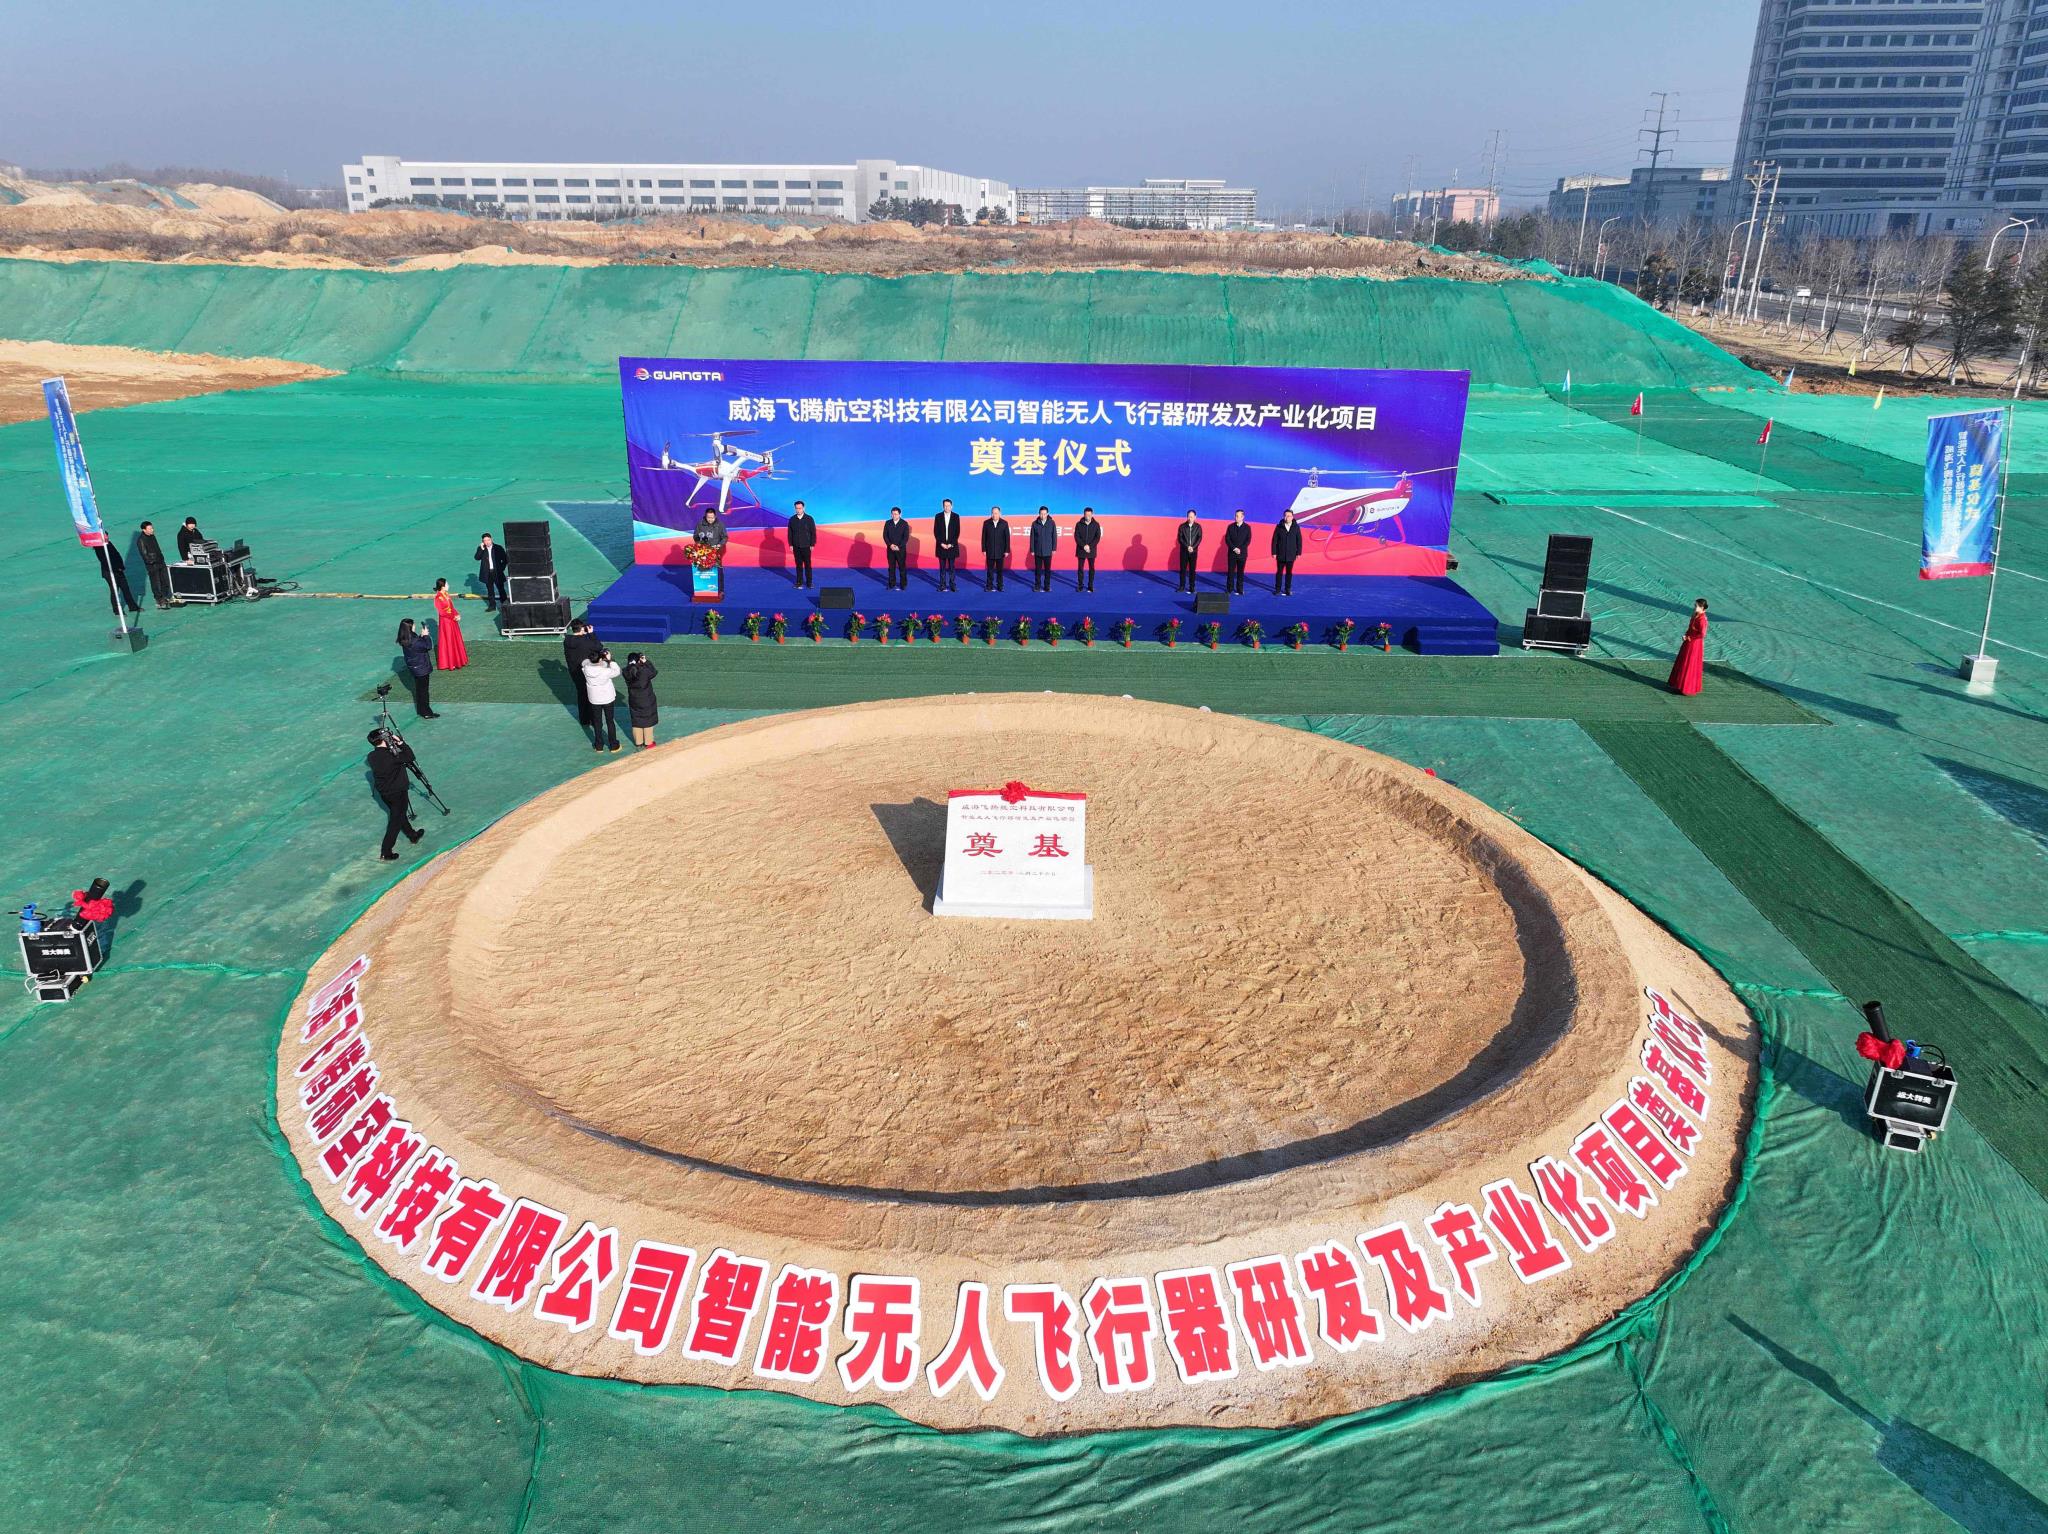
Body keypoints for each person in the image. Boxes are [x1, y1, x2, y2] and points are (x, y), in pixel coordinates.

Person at [367, 728, 426, 861]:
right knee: (395, 821)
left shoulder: (371, 756)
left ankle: (412, 835)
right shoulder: (392, 755)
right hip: (398, 792)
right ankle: (386, 851)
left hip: (385, 793)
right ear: (384, 739)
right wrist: (400, 743)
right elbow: (410, 757)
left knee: (399, 814)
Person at [563, 618, 603, 747]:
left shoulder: (567, 640)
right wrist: (591, 634)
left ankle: (584, 719)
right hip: (586, 672)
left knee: (581, 694)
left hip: (574, 672)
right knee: (590, 694)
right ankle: (593, 720)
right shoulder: (585, 641)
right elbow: (599, 647)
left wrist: (584, 635)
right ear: (581, 629)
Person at [582, 645, 623, 754]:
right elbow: (617, 671)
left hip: (594, 699)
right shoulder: (605, 671)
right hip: (607, 698)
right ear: (600, 660)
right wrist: (610, 660)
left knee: (597, 722)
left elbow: (586, 662)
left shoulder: (585, 669)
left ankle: (599, 746)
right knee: (610, 721)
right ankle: (613, 745)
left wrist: (599, 659)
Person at [398, 618, 437, 718]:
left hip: (414, 668)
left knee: (419, 690)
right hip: (421, 668)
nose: (415, 626)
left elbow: (417, 646)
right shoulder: (414, 640)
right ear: (410, 627)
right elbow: (428, 646)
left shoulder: (405, 638)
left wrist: (421, 636)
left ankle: (421, 710)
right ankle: (427, 713)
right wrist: (426, 636)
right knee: (423, 692)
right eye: (413, 624)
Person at [1668, 598, 1708, 696]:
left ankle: (1686, 688)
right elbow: (1690, 628)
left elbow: (1702, 634)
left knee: (1689, 663)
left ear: (1702, 607)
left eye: (1696, 606)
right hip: (1688, 642)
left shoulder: (1702, 619)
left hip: (1694, 644)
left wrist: (1689, 637)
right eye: (1695, 605)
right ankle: (1679, 685)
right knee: (1683, 662)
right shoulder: (1695, 615)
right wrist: (1686, 635)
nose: (1694, 607)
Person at [94, 542, 141, 619]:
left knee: (125, 588)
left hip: (118, 569)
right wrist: (116, 568)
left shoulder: (108, 543)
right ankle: (117, 611)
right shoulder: (98, 547)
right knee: (115, 591)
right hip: (110, 572)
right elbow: (104, 560)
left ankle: (132, 606)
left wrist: (121, 566)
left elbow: (116, 554)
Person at [623, 651, 660, 748]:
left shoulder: (625, 671)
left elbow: (632, 668)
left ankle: (638, 742)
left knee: (637, 720)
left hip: (634, 699)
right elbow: (654, 672)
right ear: (638, 661)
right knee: (647, 719)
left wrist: (640, 663)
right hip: (646, 699)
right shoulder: (643, 671)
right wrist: (646, 662)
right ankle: (648, 742)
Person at [432, 578, 468, 671]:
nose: (448, 585)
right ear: (442, 586)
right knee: (449, 640)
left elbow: (452, 607)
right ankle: (451, 663)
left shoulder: (446, 594)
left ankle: (457, 660)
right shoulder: (438, 598)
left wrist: (457, 614)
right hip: (446, 622)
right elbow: (442, 613)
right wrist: (454, 617)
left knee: (454, 639)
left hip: (452, 620)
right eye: (447, 584)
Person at [136, 520, 172, 608]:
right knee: (156, 582)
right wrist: (152, 561)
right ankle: (159, 599)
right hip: (152, 564)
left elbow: (157, 548)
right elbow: (144, 554)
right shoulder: (141, 540)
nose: (152, 530)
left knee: (165, 580)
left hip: (160, 561)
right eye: (150, 529)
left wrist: (161, 558)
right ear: (144, 530)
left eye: (152, 528)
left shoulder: (152, 536)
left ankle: (165, 596)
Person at [473, 532, 509, 612]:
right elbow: (477, 558)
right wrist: (481, 549)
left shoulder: (498, 548)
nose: (487, 542)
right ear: (483, 541)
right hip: (487, 573)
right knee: (490, 590)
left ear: (491, 539)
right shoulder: (481, 548)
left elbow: (505, 559)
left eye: (488, 540)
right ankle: (492, 606)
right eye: (485, 541)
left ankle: (505, 605)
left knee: (501, 589)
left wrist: (501, 569)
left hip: (497, 572)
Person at [932, 498, 962, 592]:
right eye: (945, 506)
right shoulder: (938, 516)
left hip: (952, 546)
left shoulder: (956, 516)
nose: (947, 507)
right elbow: (936, 531)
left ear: (951, 506)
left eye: (948, 506)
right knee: (942, 568)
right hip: (941, 546)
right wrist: (941, 543)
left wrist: (951, 544)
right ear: (943, 506)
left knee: (952, 567)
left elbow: (957, 532)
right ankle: (942, 585)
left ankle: (952, 585)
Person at [1271, 509, 1303, 596]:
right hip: (1280, 553)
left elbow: (1299, 540)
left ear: (1292, 517)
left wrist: (1298, 552)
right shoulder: (1279, 527)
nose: (1287, 517)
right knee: (1279, 572)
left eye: (1289, 516)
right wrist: (1274, 552)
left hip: (1291, 554)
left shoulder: (1296, 527)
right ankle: (1277, 589)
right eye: (1285, 516)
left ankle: (1287, 589)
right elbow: (1274, 540)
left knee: (1289, 572)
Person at [787, 499, 817, 588]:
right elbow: (790, 533)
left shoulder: (809, 518)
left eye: (800, 508)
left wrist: (812, 544)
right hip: (796, 546)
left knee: (808, 565)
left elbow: (813, 532)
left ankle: (809, 583)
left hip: (806, 546)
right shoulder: (792, 519)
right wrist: (790, 544)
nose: (798, 510)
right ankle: (799, 582)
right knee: (798, 565)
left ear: (803, 508)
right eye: (796, 508)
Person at [981, 506, 1011, 592]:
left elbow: (1007, 538)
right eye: (993, 513)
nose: (994, 515)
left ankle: (1000, 586)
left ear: (1000, 514)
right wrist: (984, 549)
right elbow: (983, 537)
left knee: (999, 571)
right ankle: (989, 586)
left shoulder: (1004, 523)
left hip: (1000, 551)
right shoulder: (986, 523)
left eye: (996, 513)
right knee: (990, 570)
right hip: (989, 551)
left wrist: (1007, 550)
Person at [1028, 506, 1058, 592]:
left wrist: (1054, 548)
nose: (1043, 516)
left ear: (1047, 514)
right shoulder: (1035, 523)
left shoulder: (1051, 523)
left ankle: (1047, 586)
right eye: (1041, 514)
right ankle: (1037, 586)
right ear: (1039, 514)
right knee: (1038, 570)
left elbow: (1054, 536)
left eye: (1044, 514)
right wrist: (1032, 549)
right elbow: (1032, 538)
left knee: (1047, 570)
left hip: (1048, 551)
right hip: (1038, 551)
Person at [1222, 509, 1252, 596]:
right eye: (1235, 516)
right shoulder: (1230, 527)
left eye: (1238, 516)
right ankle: (1229, 588)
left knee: (1240, 572)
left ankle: (1240, 589)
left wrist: (1240, 549)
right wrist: (1234, 548)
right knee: (1230, 572)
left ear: (1242, 517)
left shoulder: (1247, 527)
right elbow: (1227, 539)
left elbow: (1248, 540)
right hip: (1232, 553)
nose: (1236, 518)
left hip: (1242, 554)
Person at [1073, 506, 1101, 592]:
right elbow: (1076, 537)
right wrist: (1084, 546)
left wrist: (1089, 546)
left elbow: (1097, 537)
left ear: (1092, 514)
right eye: (1086, 515)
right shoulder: (1078, 524)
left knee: (1091, 568)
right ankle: (1080, 585)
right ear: (1084, 514)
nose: (1087, 517)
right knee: (1080, 568)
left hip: (1091, 550)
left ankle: (1090, 585)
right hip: (1081, 550)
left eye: (1089, 515)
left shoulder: (1096, 524)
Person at [882, 506, 911, 590]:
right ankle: (892, 584)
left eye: (896, 514)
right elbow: (885, 536)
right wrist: (890, 545)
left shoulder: (904, 523)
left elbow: (905, 537)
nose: (894, 516)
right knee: (891, 568)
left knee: (902, 567)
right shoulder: (887, 523)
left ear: (900, 514)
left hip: (900, 550)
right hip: (890, 549)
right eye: (892, 514)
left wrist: (899, 546)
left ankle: (903, 584)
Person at [1175, 509, 1203, 594]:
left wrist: (1193, 547)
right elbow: (1180, 539)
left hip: (1193, 552)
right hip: (1184, 551)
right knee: (1182, 570)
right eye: (1188, 517)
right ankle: (1182, 586)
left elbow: (1199, 538)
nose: (1190, 518)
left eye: (1191, 517)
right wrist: (1187, 546)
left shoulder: (1198, 527)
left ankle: (1192, 587)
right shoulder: (1182, 526)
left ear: (1195, 517)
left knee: (1192, 570)